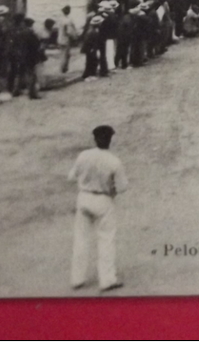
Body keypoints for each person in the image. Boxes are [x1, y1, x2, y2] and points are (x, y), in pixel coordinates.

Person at [69, 125, 128, 293]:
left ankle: (77, 279)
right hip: (103, 200)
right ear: (110, 140)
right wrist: (111, 190)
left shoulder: (83, 155)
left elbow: (71, 176)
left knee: (80, 239)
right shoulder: (114, 161)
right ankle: (107, 280)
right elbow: (122, 187)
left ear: (94, 139)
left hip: (83, 197)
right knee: (106, 239)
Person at [57, 6, 80, 73]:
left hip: (59, 38)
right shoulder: (68, 20)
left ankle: (62, 68)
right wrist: (75, 37)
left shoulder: (60, 19)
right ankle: (64, 69)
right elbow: (69, 31)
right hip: (66, 39)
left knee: (62, 54)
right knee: (66, 55)